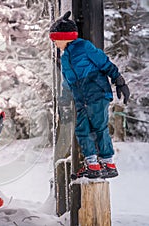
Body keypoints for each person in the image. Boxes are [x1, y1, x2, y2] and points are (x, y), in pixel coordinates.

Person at [49, 11, 130, 179]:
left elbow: (105, 63)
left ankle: (108, 162)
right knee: (82, 129)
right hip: (81, 99)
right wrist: (63, 101)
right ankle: (92, 163)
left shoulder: (84, 47)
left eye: (55, 39)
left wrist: (119, 80)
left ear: (66, 36)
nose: (54, 43)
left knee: (99, 128)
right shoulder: (64, 59)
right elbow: (67, 82)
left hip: (97, 94)